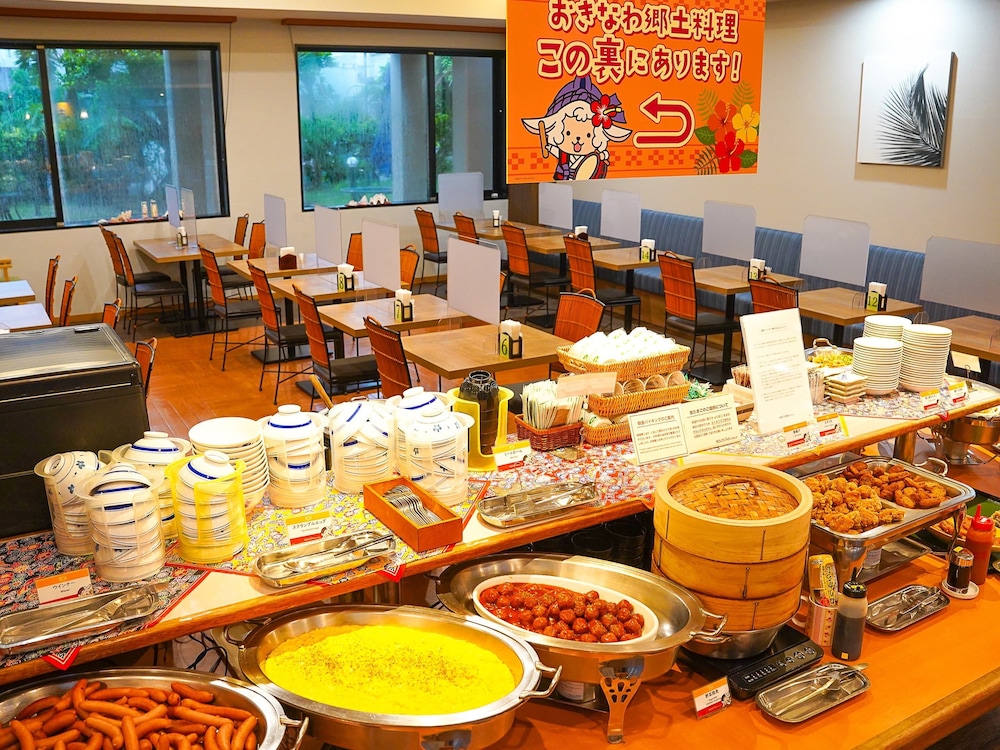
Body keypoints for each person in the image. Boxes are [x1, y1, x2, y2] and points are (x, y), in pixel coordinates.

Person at [521, 75, 632, 181]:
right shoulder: (563, 154)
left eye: (588, 135)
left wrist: (603, 155)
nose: (578, 139)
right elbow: (553, 150)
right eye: (568, 133)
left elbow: (601, 158)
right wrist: (548, 146)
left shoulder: (592, 156)